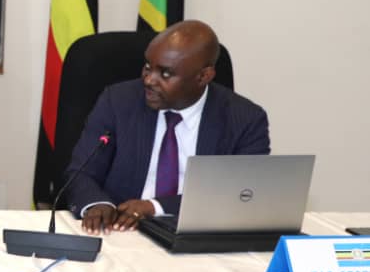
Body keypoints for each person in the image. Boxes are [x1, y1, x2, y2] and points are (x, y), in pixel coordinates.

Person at [64, 19, 269, 235]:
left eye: (165, 73)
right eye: (147, 67)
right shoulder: (117, 101)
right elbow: (80, 172)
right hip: (121, 233)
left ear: (203, 76)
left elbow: (241, 195)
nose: (149, 80)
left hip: (197, 235)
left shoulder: (245, 119)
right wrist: (97, 204)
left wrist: (154, 207)